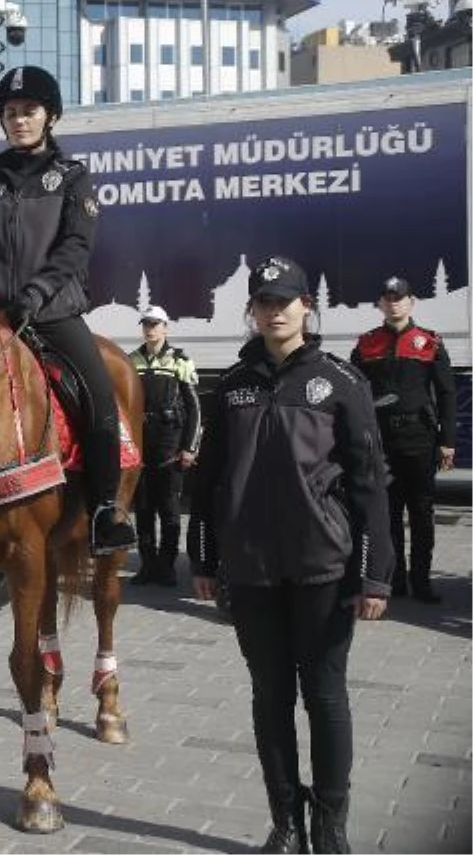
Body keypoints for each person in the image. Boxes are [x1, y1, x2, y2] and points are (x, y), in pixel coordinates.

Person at [188, 256, 393, 855]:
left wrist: (374, 576)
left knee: (325, 697)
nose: (274, 311)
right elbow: (208, 483)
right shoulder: (233, 386)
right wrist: (203, 560)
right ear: (250, 311)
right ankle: (286, 821)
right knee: (269, 697)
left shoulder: (340, 381)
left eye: (285, 300)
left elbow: (369, 485)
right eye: (263, 301)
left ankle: (330, 825)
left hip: (323, 569)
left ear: (307, 306)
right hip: (250, 572)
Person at [0, 65, 136, 555]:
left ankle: (103, 510)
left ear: (50, 116)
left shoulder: (72, 178)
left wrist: (34, 294)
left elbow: (75, 248)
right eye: (10, 113)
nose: (19, 120)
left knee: (97, 393)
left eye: (29, 111)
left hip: (52, 315)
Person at [351, 276, 457, 604]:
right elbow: (354, 391)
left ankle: (421, 581)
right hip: (383, 441)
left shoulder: (430, 342)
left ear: (411, 302)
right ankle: (394, 579)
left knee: (422, 512)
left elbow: (447, 393)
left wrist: (447, 440)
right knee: (388, 512)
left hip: (420, 439)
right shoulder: (367, 344)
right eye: (387, 297)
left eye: (399, 297)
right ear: (381, 304)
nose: (393, 302)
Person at [129, 304, 201, 587]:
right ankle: (148, 566)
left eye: (155, 324)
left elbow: (194, 408)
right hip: (142, 446)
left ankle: (167, 566)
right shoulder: (131, 360)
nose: (150, 328)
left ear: (165, 327)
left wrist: (190, 448)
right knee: (143, 510)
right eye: (146, 324)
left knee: (169, 510)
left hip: (170, 446)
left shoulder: (179, 360)